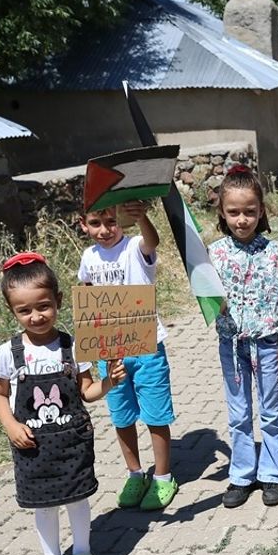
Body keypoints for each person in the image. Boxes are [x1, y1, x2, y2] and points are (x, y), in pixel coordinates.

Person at [0, 252, 125, 555]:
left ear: (59, 301)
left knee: (77, 498)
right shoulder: (9, 352)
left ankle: (81, 552)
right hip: (32, 445)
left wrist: (109, 383)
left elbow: (87, 392)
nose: (36, 316)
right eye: (25, 310)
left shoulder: (73, 346)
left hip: (71, 441)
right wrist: (10, 425)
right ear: (12, 310)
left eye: (44, 306)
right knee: (43, 504)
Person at [77, 202, 177, 511]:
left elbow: (153, 242)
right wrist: (89, 344)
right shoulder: (88, 257)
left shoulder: (134, 246)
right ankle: (135, 474)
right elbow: (88, 295)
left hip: (146, 346)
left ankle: (163, 477)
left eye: (111, 221)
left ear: (121, 220)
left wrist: (141, 217)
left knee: (156, 416)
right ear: (83, 224)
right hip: (110, 353)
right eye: (96, 223)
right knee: (121, 416)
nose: (104, 230)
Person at [208, 167, 278, 508]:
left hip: (267, 343)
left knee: (270, 411)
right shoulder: (213, 253)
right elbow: (207, 299)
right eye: (233, 212)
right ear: (222, 213)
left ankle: (273, 474)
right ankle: (242, 474)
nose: (242, 220)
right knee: (239, 412)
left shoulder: (273, 251)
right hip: (232, 346)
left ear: (261, 211)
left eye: (249, 211)